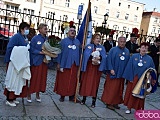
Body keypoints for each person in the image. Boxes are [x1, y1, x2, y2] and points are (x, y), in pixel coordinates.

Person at [123, 42, 156, 114]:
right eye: (143, 48)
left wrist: (150, 76)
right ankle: (129, 107)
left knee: (140, 94)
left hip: (143, 80)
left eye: (146, 48)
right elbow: (129, 67)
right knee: (131, 93)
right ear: (140, 48)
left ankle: (138, 109)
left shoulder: (149, 59)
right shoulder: (134, 56)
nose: (144, 50)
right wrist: (130, 78)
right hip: (134, 78)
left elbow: (152, 69)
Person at [4, 22, 30, 107]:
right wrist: (24, 49)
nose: (27, 31)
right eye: (26, 29)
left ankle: (14, 97)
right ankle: (9, 98)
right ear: (21, 29)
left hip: (20, 63)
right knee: (12, 80)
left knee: (17, 81)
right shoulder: (16, 37)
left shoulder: (24, 37)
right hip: (13, 62)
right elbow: (11, 48)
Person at [101, 36, 130, 110]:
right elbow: (109, 60)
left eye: (124, 42)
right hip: (113, 73)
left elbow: (128, 63)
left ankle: (116, 102)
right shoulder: (113, 50)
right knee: (111, 88)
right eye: (121, 41)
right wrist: (110, 69)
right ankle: (109, 102)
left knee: (119, 89)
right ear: (118, 42)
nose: (122, 43)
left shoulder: (127, 51)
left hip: (121, 74)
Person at [54, 26, 81, 102]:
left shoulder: (77, 42)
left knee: (73, 81)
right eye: (71, 31)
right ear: (68, 32)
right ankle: (62, 95)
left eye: (74, 31)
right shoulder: (63, 41)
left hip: (74, 64)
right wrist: (59, 63)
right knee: (64, 80)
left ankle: (72, 96)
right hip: (65, 64)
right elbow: (59, 52)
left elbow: (79, 53)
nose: (72, 32)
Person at [79, 33, 106, 108]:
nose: (98, 40)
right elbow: (86, 55)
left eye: (99, 38)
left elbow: (104, 56)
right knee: (86, 83)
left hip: (96, 70)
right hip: (89, 68)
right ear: (93, 39)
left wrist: (99, 58)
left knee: (95, 85)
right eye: (97, 38)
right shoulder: (89, 46)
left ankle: (93, 101)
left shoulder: (102, 47)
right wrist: (92, 57)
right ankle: (84, 99)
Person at [27, 23, 48, 103]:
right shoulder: (35, 38)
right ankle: (29, 93)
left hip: (44, 62)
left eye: (46, 29)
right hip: (36, 61)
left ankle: (38, 94)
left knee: (41, 79)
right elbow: (31, 49)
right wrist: (39, 52)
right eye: (44, 29)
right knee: (34, 78)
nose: (46, 30)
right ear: (40, 30)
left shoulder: (47, 39)